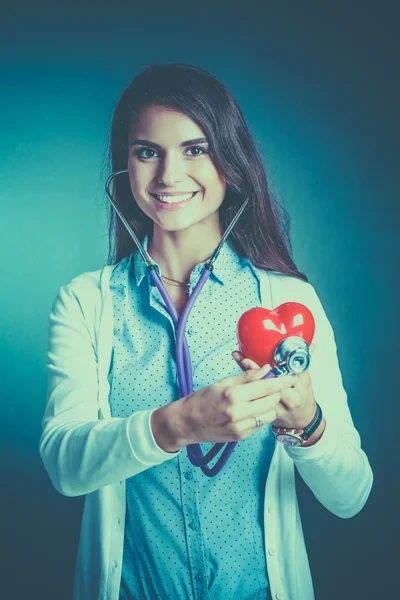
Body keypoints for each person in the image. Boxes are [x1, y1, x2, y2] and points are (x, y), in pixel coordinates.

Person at [39, 63, 373, 600]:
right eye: (148, 151)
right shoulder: (86, 302)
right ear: (125, 165)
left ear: (230, 161)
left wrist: (307, 422)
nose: (169, 175)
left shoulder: (289, 304)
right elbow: (64, 464)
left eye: (195, 149)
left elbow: (351, 494)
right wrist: (178, 424)